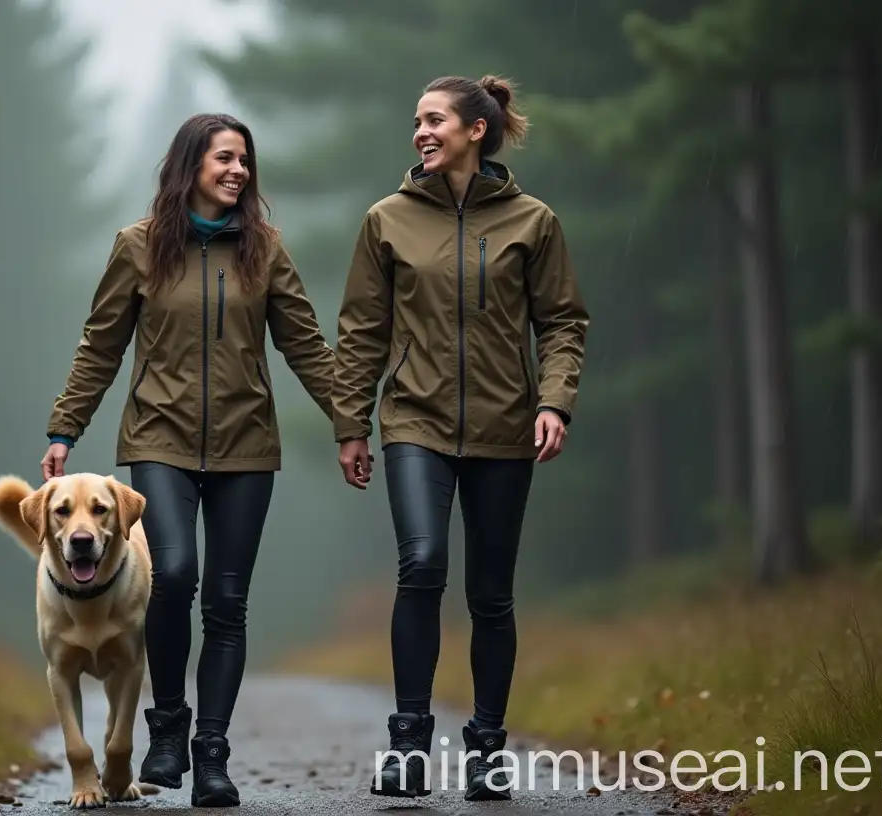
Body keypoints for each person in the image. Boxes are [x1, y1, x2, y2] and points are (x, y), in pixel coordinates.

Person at [41, 112, 335, 808]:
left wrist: (351, 422)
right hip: (158, 438)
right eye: (224, 159)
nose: (238, 172)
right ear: (190, 167)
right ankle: (168, 726)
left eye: (245, 162)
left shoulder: (266, 251)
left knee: (228, 604)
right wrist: (65, 427)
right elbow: (100, 346)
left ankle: (211, 754)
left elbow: (305, 345)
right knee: (174, 573)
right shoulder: (139, 248)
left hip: (246, 445)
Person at [331, 75, 589, 801]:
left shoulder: (534, 222)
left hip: (508, 426)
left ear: (477, 129)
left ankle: (485, 748)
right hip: (414, 420)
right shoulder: (387, 220)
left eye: (434, 119)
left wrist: (556, 403)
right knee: (421, 565)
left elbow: (564, 322)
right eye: (416, 120)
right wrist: (351, 423)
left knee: (491, 595)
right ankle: (408, 746)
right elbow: (360, 334)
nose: (420, 131)